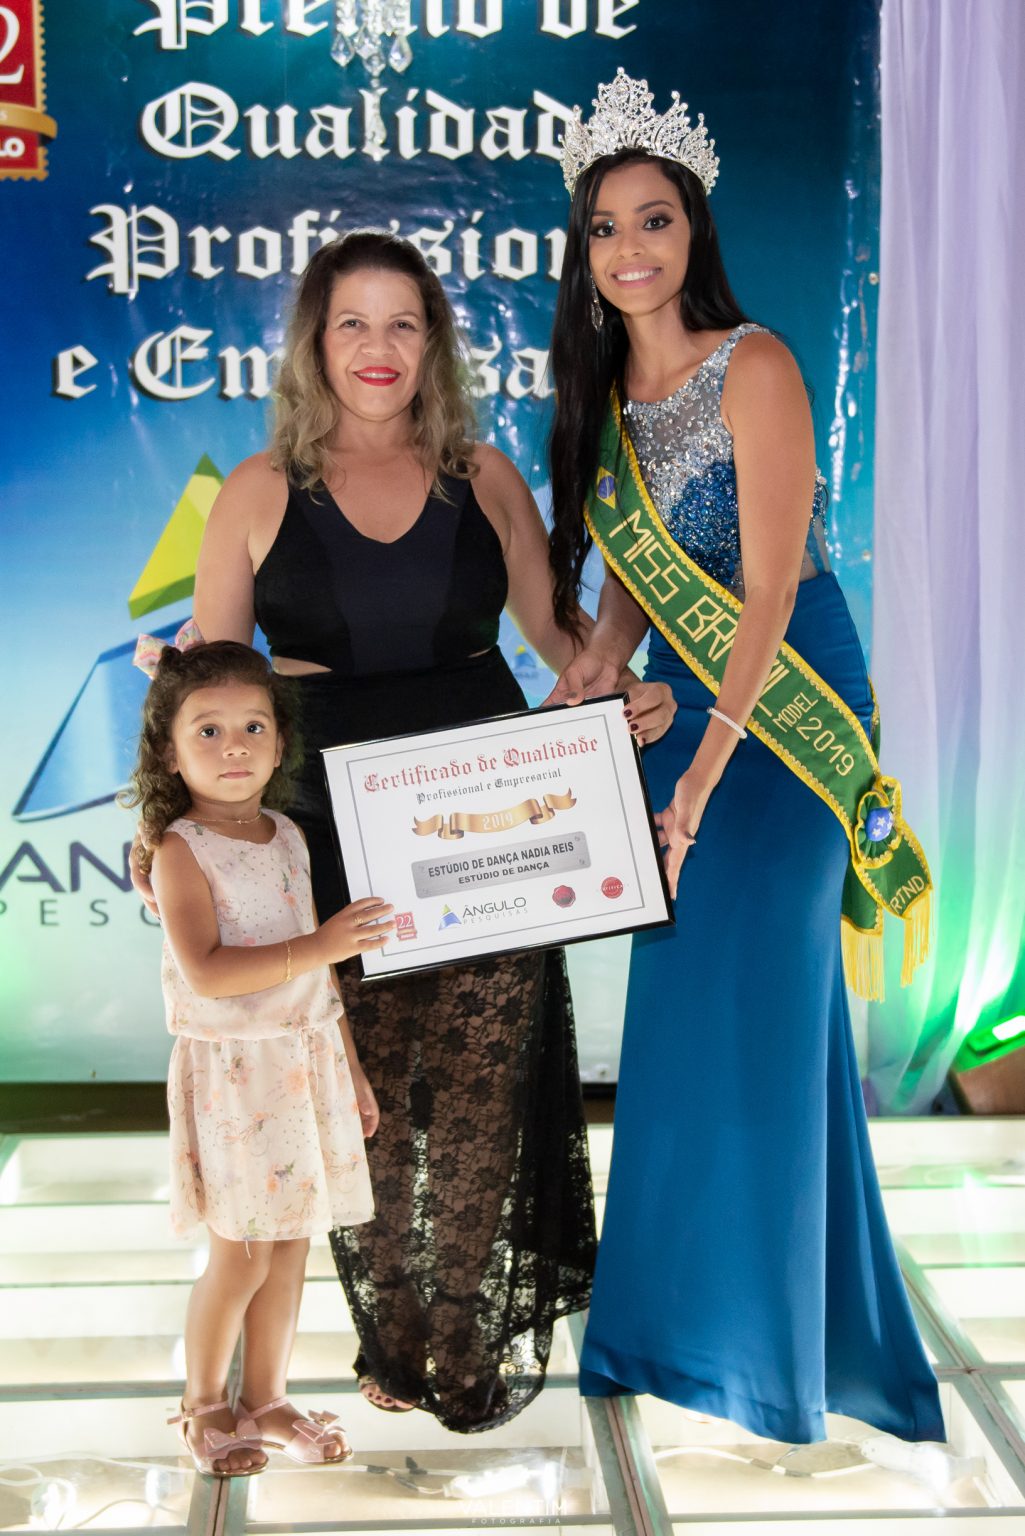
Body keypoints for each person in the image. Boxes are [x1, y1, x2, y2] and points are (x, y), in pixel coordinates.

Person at [182, 229, 675, 1431]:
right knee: (362, 1101)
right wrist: (179, 840)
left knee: (475, 1098)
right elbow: (211, 692)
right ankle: (390, 1335)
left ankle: (456, 1334)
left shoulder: (483, 476)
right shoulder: (256, 491)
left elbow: (562, 642)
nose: (378, 346)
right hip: (321, 840)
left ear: (434, 343)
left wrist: (627, 688)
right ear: (314, 343)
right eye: (351, 322)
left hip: (481, 833)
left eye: (402, 322)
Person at [544, 72, 945, 1444]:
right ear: (584, 251)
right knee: (684, 1023)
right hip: (684, 718)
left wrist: (704, 774)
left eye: (652, 220)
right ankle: (669, 1334)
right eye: (605, 227)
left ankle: (772, 1357)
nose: (630, 248)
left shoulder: (754, 362)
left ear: (691, 229)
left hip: (782, 717)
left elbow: (766, 590)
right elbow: (628, 592)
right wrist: (591, 678)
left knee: (769, 1017)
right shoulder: (604, 399)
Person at [123, 634, 394, 1477]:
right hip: (237, 1081)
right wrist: (322, 944)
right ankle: (204, 1404)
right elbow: (207, 973)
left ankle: (267, 1398)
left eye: (253, 727)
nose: (233, 746)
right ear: (169, 752)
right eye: (207, 731)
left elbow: (318, 980)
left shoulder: (288, 836)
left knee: (289, 1248)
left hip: (305, 1066)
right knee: (239, 1255)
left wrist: (349, 1067)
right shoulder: (179, 849)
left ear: (281, 744)